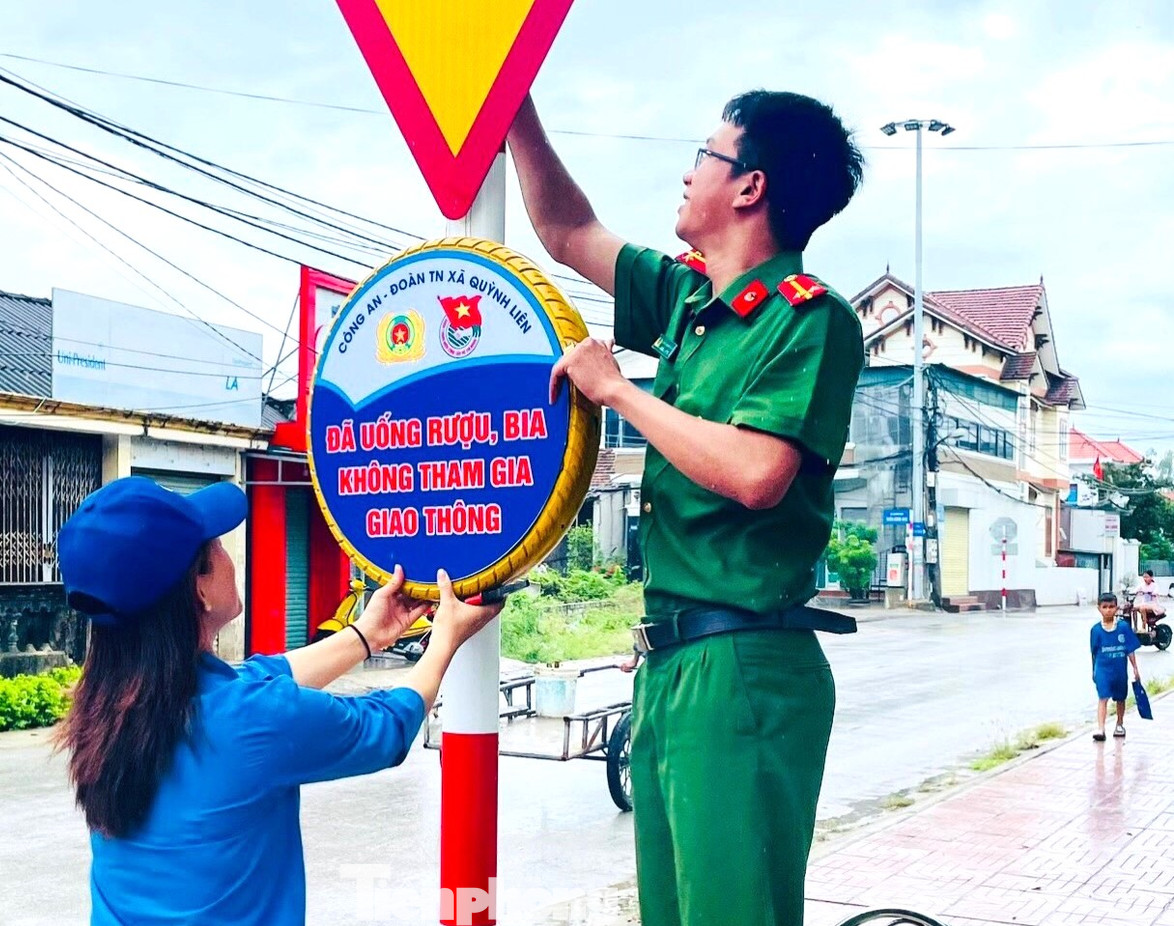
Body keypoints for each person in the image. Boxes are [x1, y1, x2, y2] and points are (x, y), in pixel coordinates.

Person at [507, 91, 865, 926]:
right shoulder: (688, 302)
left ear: (749, 186)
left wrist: (619, 392)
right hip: (668, 660)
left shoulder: (811, 321)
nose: (687, 171)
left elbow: (757, 472)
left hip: (743, 660)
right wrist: (516, 108)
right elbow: (566, 231)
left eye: (705, 154)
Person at [52, 476, 504, 925]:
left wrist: (366, 634)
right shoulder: (249, 717)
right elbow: (388, 725)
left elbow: (258, 677)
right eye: (217, 545)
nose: (228, 556)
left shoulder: (104, 707)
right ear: (199, 588)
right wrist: (445, 639)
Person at [1091, 591, 1140, 741]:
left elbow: (1130, 649)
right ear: (1099, 608)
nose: (1108, 610)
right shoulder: (1096, 630)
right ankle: (1101, 728)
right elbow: (1094, 652)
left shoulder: (1123, 627)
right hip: (1103, 669)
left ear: (1117, 608)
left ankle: (1119, 724)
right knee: (1103, 697)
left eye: (1111, 607)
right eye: (1104, 607)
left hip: (1119, 670)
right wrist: (1094, 671)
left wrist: (1135, 668)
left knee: (1120, 697)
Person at [1131, 569, 1167, 634]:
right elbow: (1135, 590)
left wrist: (1149, 592)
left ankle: (1143, 627)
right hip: (1144, 604)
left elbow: (1155, 592)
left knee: (1142, 608)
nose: (1145, 579)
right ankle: (1135, 627)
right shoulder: (1142, 585)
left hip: (1153, 605)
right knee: (1133, 608)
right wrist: (1131, 592)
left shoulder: (1155, 585)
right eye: (1144, 577)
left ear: (1151, 577)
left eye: (1147, 577)